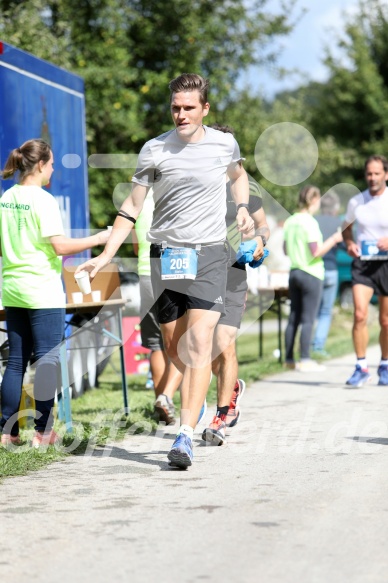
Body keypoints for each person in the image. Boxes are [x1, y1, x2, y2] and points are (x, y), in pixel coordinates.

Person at [75, 74, 255, 468]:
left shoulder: (224, 144)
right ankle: (201, 393)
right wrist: (106, 255)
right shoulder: (154, 150)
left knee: (198, 344)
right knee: (175, 348)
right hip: (165, 256)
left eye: (189, 107)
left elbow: (239, 176)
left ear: (205, 109)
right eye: (175, 107)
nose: (181, 114)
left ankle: (185, 436)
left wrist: (241, 207)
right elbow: (132, 206)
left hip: (209, 254)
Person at [0, 138, 110, 447]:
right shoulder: (43, 200)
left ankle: (6, 434)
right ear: (39, 165)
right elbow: (59, 246)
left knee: (17, 362)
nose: (53, 169)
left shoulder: (6, 197)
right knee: (47, 360)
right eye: (50, 164)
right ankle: (43, 432)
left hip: (12, 289)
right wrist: (98, 238)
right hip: (42, 290)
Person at [202, 124, 270, 446]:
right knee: (204, 351)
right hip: (202, 275)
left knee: (224, 342)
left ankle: (219, 416)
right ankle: (232, 388)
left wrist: (259, 241)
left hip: (233, 276)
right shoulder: (200, 186)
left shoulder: (248, 191)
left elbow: (264, 226)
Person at [132, 189, 182, 425]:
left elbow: (135, 246)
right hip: (171, 271)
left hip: (144, 274)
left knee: (155, 344)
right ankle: (167, 397)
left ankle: (161, 407)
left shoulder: (138, 199)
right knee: (177, 342)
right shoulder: (175, 193)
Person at [283, 185, 343, 372]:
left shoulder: (290, 221)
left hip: (294, 272)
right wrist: (334, 240)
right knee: (308, 318)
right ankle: (306, 359)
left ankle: (289, 359)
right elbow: (316, 252)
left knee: (294, 317)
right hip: (311, 273)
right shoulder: (309, 222)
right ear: (314, 200)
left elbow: (285, 250)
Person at [342, 155, 388, 387]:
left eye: (377, 173)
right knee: (360, 314)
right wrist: (349, 244)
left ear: (386, 175)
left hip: (387, 265)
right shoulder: (356, 202)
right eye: (369, 173)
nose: (372, 178)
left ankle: (385, 364)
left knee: (386, 320)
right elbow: (346, 228)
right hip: (363, 264)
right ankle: (361, 367)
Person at [311, 191, 342, 356]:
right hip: (331, 270)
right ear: (335, 208)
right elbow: (345, 246)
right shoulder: (338, 223)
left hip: (314, 270)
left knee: (312, 310)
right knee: (325, 311)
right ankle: (318, 345)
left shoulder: (313, 221)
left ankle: (306, 344)